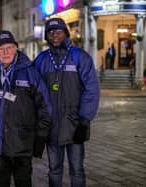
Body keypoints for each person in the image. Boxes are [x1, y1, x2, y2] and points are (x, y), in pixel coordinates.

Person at [0, 30, 52, 187]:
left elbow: (45, 106)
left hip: (23, 141)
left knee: (23, 182)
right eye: (0, 49)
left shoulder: (30, 72)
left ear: (16, 48)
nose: (5, 52)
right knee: (0, 182)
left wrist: (41, 135)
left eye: (9, 47)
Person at [34, 18, 100, 187]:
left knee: (77, 169)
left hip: (75, 125)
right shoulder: (41, 60)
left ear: (66, 33)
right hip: (52, 126)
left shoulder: (80, 57)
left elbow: (91, 90)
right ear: (46, 36)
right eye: (50, 32)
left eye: (58, 31)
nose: (55, 35)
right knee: (54, 169)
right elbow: (33, 91)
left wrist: (84, 121)